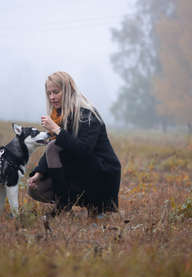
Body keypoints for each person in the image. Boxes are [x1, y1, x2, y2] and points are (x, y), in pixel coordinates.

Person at [27, 71, 121, 217]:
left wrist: (57, 130)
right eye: (49, 93)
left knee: (55, 147)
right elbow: (54, 150)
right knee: (36, 188)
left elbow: (84, 150)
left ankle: (95, 205)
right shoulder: (59, 115)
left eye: (56, 92)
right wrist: (39, 173)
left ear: (68, 90)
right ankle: (64, 204)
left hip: (101, 174)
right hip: (78, 170)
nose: (52, 97)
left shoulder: (87, 115)